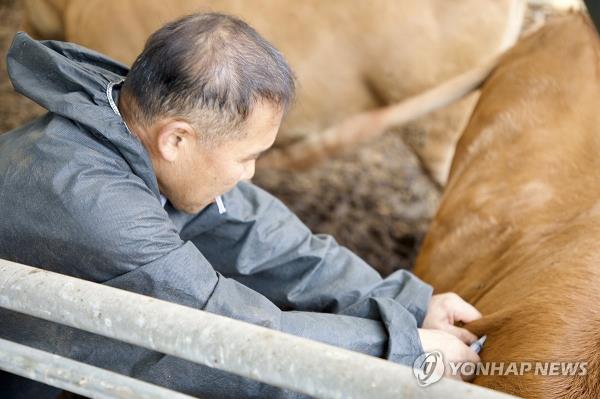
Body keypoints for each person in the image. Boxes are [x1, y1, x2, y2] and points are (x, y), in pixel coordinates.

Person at [0, 13, 481, 398]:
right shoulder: (97, 207)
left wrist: (409, 305)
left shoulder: (121, 123)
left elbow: (255, 230)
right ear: (178, 139)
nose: (249, 173)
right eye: (246, 157)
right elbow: (223, 333)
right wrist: (402, 350)